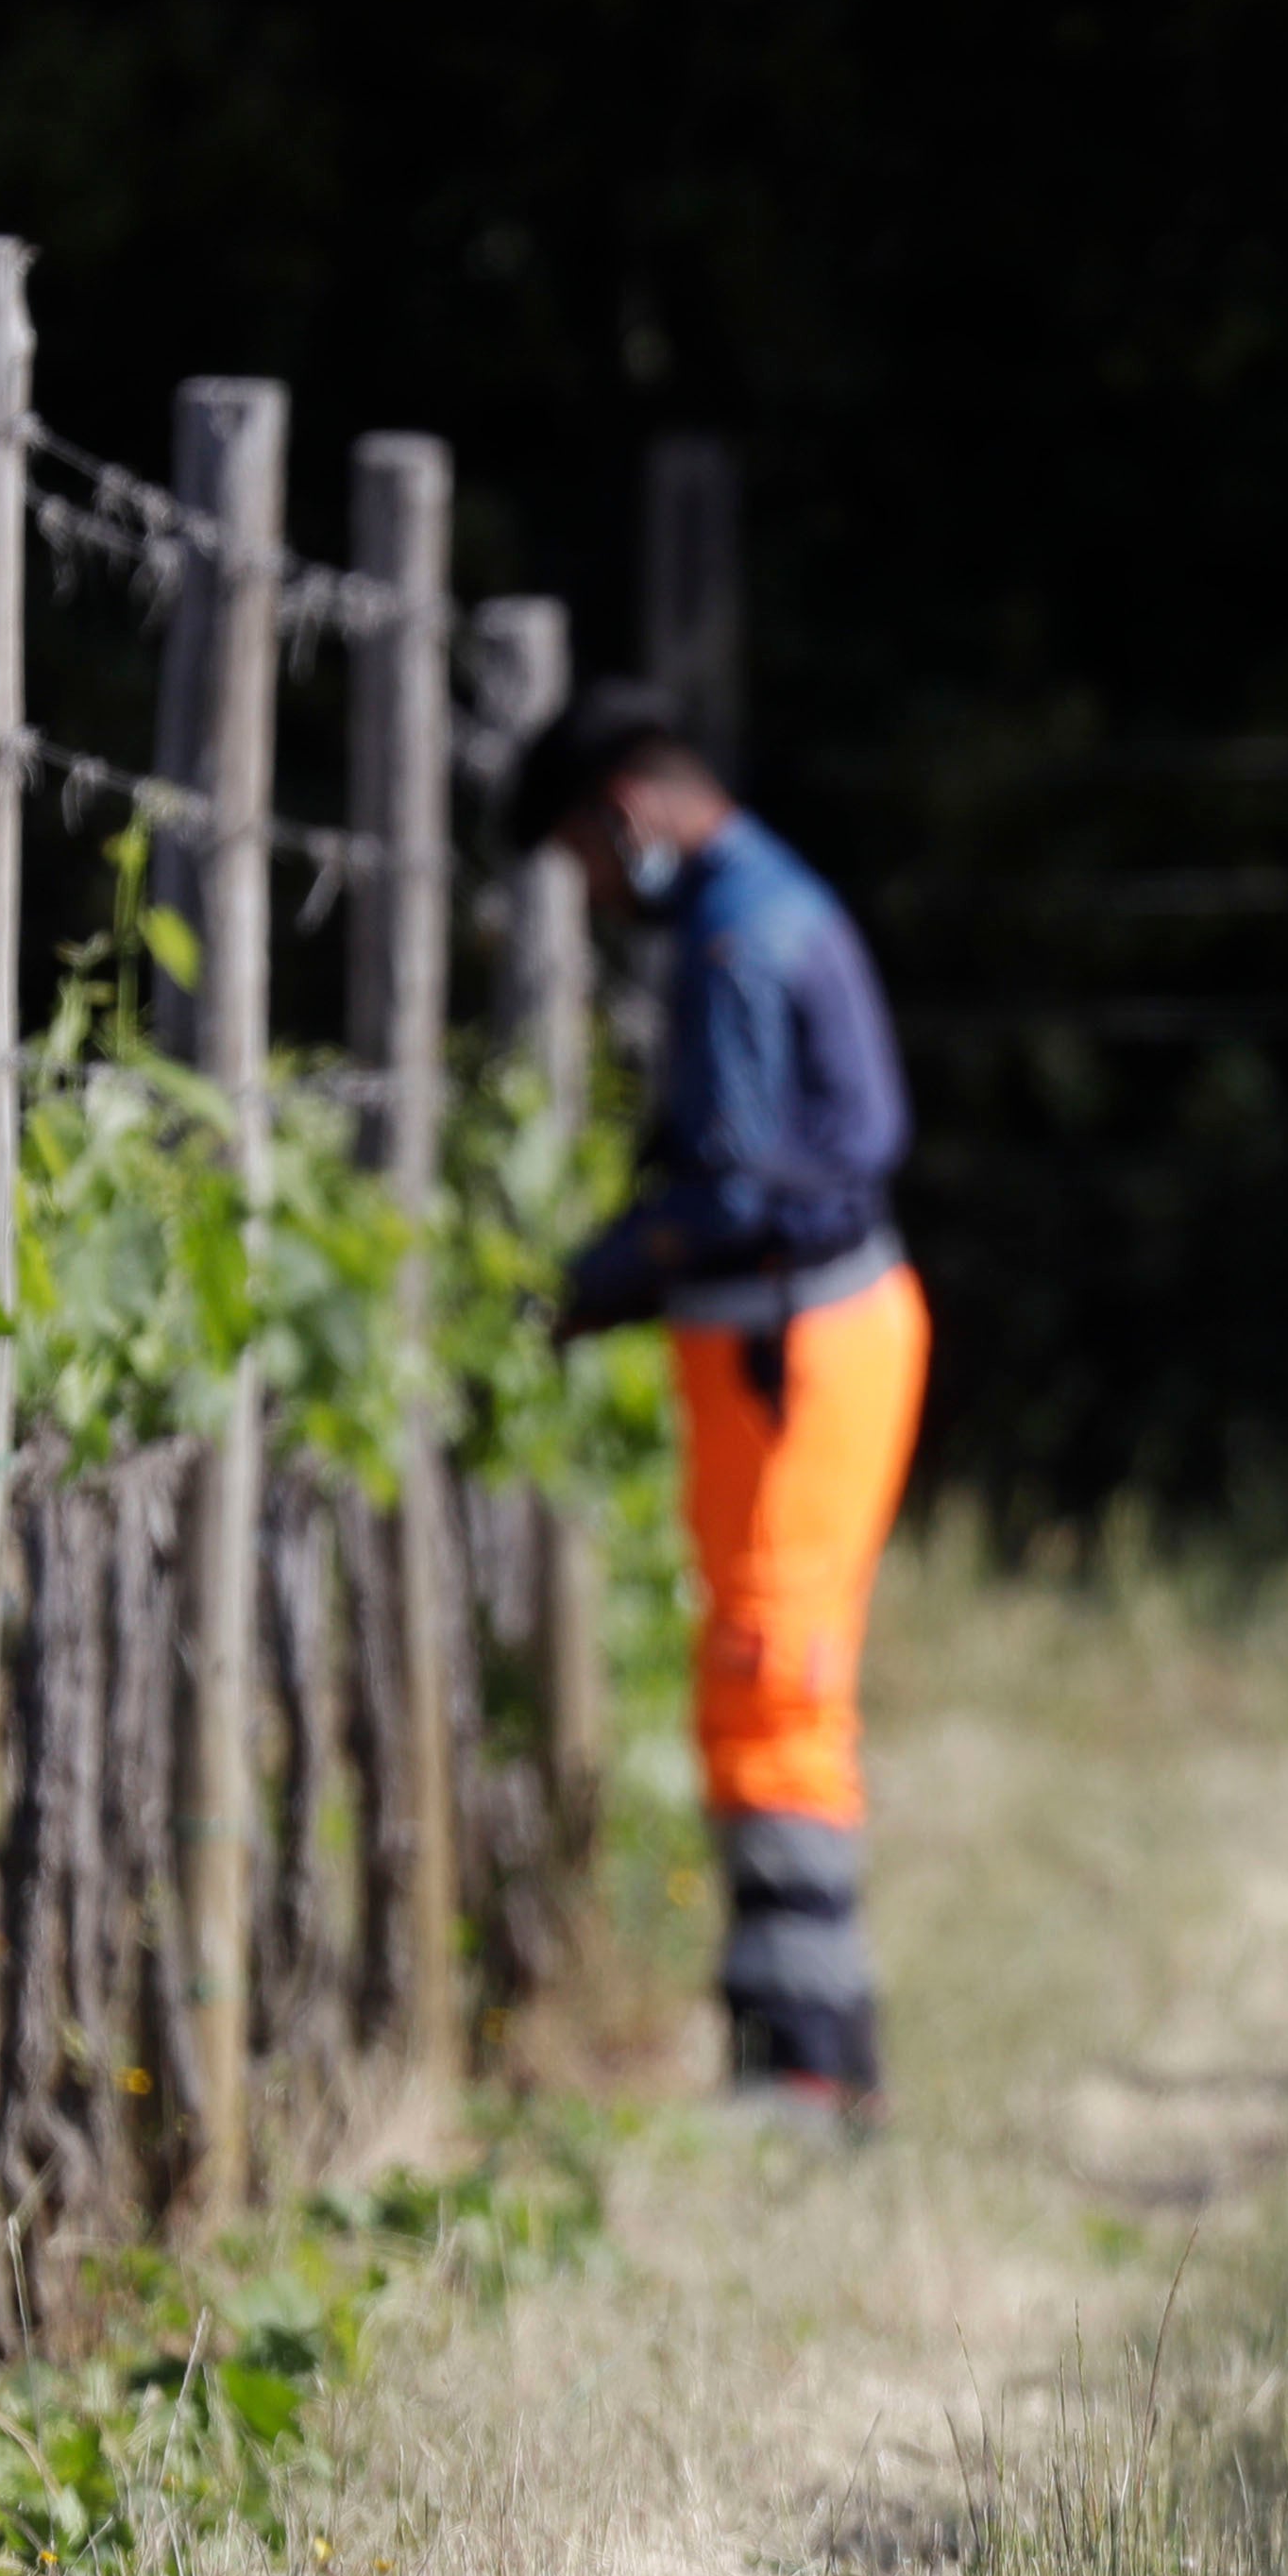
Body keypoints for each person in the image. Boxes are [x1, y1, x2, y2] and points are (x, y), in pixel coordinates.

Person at [524, 685, 927, 2118]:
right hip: (791, 1343)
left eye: (579, 863)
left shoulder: (733, 935)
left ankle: (806, 2067)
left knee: (776, 1674)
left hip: (792, 1343)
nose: (589, 898)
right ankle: (808, 2046)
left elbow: (740, 1185)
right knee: (762, 1675)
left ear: (624, 816)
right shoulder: (755, 902)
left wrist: (586, 1279)